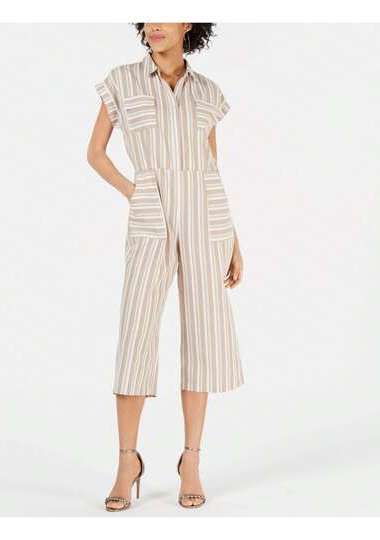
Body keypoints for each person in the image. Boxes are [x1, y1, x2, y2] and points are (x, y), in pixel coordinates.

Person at [87, 22, 245, 511]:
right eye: (148, 14)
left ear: (188, 23)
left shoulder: (208, 92)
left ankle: (191, 461)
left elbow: (211, 168)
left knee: (202, 335)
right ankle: (126, 462)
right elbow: (95, 153)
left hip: (204, 216)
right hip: (150, 213)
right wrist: (135, 193)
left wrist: (233, 237)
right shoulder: (123, 80)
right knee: (135, 332)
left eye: (167, 12)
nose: (155, 23)